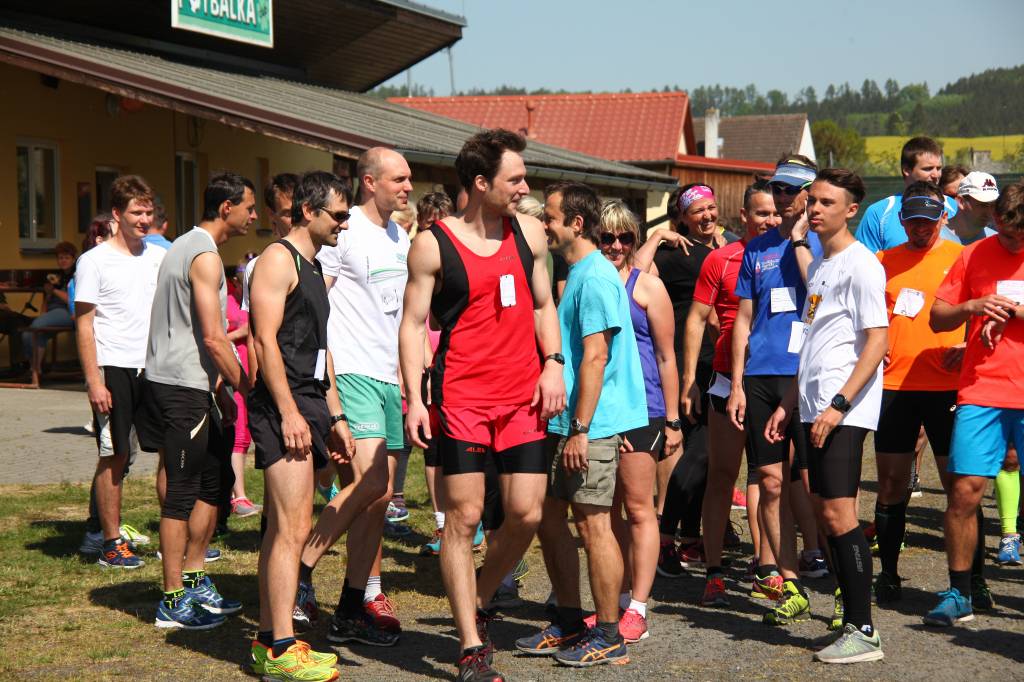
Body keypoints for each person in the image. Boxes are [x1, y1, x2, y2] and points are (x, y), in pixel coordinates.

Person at [400, 129, 565, 682]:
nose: (524, 188)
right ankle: (471, 645)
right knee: (464, 517)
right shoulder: (432, 244)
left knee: (526, 513)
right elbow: (412, 324)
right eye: (514, 179)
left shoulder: (530, 234)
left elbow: (542, 305)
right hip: (462, 399)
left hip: (522, 397)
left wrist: (553, 363)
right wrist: (416, 399)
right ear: (479, 182)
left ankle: (478, 598)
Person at [517, 181, 646, 669]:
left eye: (549, 217)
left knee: (593, 525)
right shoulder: (577, 273)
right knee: (550, 518)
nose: (544, 225)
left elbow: (596, 356)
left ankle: (609, 632)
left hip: (588, 426)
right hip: (567, 423)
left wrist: (581, 428)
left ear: (575, 222)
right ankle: (570, 621)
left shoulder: (594, 277)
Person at [765, 168, 888, 663]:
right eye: (812, 200)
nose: (814, 209)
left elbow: (877, 341)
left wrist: (839, 405)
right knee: (825, 514)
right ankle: (852, 623)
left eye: (826, 203)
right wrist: (789, 402)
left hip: (843, 410)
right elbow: (813, 343)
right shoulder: (820, 264)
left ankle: (863, 629)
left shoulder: (862, 265)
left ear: (851, 210)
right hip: (812, 407)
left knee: (840, 514)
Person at [295, 148, 412, 646]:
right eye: (399, 179)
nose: (407, 187)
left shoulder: (400, 236)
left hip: (388, 377)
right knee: (370, 484)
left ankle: (350, 608)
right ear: (370, 181)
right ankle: (298, 571)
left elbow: (403, 315)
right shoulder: (345, 232)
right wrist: (326, 386)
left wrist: (410, 376)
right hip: (352, 371)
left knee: (378, 499)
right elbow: (315, 305)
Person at [248, 170, 356, 681]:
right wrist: (288, 411)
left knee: (282, 529)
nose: (344, 223)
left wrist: (335, 415)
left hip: (310, 402)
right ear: (308, 211)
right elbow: (263, 340)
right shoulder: (277, 259)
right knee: (291, 529)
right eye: (339, 214)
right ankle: (282, 649)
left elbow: (320, 350)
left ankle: (269, 641)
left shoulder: (313, 265)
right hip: (282, 405)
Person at [138, 171, 253, 629]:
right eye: (248, 207)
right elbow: (212, 337)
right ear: (226, 207)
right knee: (182, 494)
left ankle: (194, 577)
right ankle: (171, 599)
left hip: (196, 386)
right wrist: (250, 388)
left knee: (215, 482)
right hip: (179, 387)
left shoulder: (190, 246)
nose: (254, 216)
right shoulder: (202, 254)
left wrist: (220, 390)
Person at [683, 181, 792, 613]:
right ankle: (713, 571)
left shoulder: (794, 255)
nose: (770, 219)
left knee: (769, 478)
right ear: (744, 216)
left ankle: (767, 568)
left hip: (775, 381)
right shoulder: (722, 258)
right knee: (722, 475)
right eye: (762, 213)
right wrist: (691, 380)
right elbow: (697, 318)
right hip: (728, 379)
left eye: (776, 212)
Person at [728, 159, 824, 626]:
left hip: (809, 376)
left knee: (818, 486)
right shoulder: (757, 248)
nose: (783, 197)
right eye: (778, 189)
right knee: (769, 482)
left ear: (809, 194)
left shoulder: (823, 243)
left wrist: (802, 239)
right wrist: (737, 384)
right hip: (762, 376)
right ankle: (790, 583)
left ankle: (842, 587)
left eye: (791, 190)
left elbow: (821, 298)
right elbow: (744, 319)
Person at [924, 180, 1024, 627]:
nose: (1012, 243)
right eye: (1005, 233)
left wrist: (1011, 312)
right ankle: (959, 593)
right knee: (963, 492)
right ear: (995, 220)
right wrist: (974, 306)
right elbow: (937, 317)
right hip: (982, 391)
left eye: (1020, 237)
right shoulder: (972, 255)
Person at [872, 182, 966, 604]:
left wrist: (969, 343)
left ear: (943, 218)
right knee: (892, 483)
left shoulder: (961, 258)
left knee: (958, 487)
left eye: (928, 220)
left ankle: (969, 581)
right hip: (894, 387)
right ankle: (889, 574)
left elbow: (984, 310)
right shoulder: (882, 262)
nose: (920, 228)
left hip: (947, 385)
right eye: (912, 220)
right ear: (901, 220)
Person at [594, 198, 680, 642]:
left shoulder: (648, 288)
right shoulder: (587, 283)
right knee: (603, 512)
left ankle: (639, 608)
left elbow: (666, 357)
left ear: (634, 240)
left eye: (624, 237)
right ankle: (615, 601)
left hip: (644, 408)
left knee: (639, 507)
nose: (615, 245)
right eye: (606, 237)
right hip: (599, 412)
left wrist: (673, 420)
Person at [75, 176, 165, 566]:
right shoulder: (94, 261)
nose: (144, 219)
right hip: (113, 368)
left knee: (169, 450)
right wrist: (94, 381)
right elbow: (84, 326)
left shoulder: (158, 257)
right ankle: (111, 542)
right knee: (116, 453)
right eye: (136, 212)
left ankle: (173, 539)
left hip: (155, 367)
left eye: (149, 212)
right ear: (116, 214)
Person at [637, 187, 715, 575]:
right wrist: (655, 238)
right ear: (683, 217)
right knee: (686, 449)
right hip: (686, 365)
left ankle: (691, 536)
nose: (707, 215)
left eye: (711, 208)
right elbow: (633, 276)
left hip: (717, 364)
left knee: (708, 457)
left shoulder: (721, 249)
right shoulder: (675, 252)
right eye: (698, 210)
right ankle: (665, 535)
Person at [855, 136, 960, 251]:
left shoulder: (954, 207)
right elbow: (863, 259)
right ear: (906, 170)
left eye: (938, 168)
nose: (936, 175)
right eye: (928, 169)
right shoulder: (879, 213)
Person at [228, 253, 260, 518]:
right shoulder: (227, 302)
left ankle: (239, 494)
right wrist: (238, 333)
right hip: (235, 374)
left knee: (247, 435)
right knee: (238, 434)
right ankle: (237, 497)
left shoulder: (257, 301)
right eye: (241, 282)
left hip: (254, 375)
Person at [23, 241, 76, 378]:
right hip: (53, 312)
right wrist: (48, 296)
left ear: (73, 259)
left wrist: (54, 290)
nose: (63, 260)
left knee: (35, 327)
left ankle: (35, 371)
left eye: (66, 258)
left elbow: (72, 300)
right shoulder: (57, 276)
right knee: (28, 334)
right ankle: (35, 369)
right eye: (60, 258)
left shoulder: (76, 275)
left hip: (68, 312)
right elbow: (47, 301)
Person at [949, 171, 1000, 245]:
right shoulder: (935, 237)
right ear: (961, 202)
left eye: (993, 205)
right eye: (983, 205)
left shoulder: (997, 241)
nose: (989, 212)